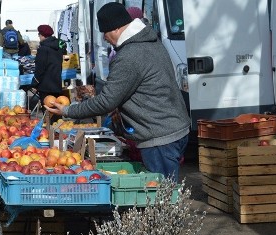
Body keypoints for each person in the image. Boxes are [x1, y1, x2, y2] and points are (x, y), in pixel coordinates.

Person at [45, 3, 189, 182]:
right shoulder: (151, 42)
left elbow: (106, 101)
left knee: (160, 195)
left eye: (104, 32)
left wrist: (68, 111)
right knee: (165, 191)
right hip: (174, 127)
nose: (104, 39)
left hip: (159, 136)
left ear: (115, 28)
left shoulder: (129, 55)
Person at [32, 24, 65, 111]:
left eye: (39, 34)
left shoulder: (43, 49)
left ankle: (49, 124)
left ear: (42, 35)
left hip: (45, 85)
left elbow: (40, 68)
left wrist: (34, 83)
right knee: (57, 109)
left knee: (48, 110)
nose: (38, 36)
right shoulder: (58, 47)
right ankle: (57, 124)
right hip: (56, 82)